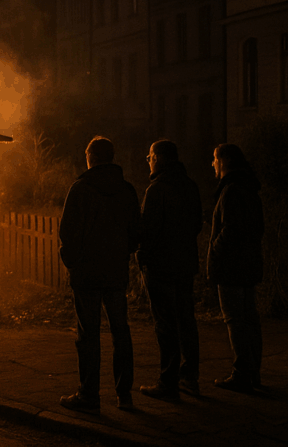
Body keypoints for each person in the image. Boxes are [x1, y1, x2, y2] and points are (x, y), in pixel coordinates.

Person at [58, 136, 142, 414]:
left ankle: (89, 395)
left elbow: (67, 233)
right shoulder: (127, 191)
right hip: (115, 272)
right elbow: (135, 232)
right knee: (121, 332)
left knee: (88, 335)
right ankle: (124, 395)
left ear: (90, 157)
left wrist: (73, 263)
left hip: (87, 275)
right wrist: (123, 255)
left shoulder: (81, 189)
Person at [137, 139, 203, 401]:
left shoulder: (156, 190)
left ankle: (168, 382)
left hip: (161, 266)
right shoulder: (190, 186)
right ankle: (189, 377)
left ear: (160, 158)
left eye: (151, 156)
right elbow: (197, 223)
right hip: (185, 264)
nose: (148, 160)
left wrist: (143, 256)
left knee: (165, 323)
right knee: (186, 319)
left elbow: (148, 231)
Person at [208, 143, 264, 393]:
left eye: (215, 159)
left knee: (235, 320)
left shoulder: (231, 190)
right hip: (249, 263)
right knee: (249, 319)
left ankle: (242, 373)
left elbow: (230, 229)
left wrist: (216, 252)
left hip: (231, 266)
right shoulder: (249, 188)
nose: (212, 164)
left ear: (226, 161)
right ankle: (252, 372)